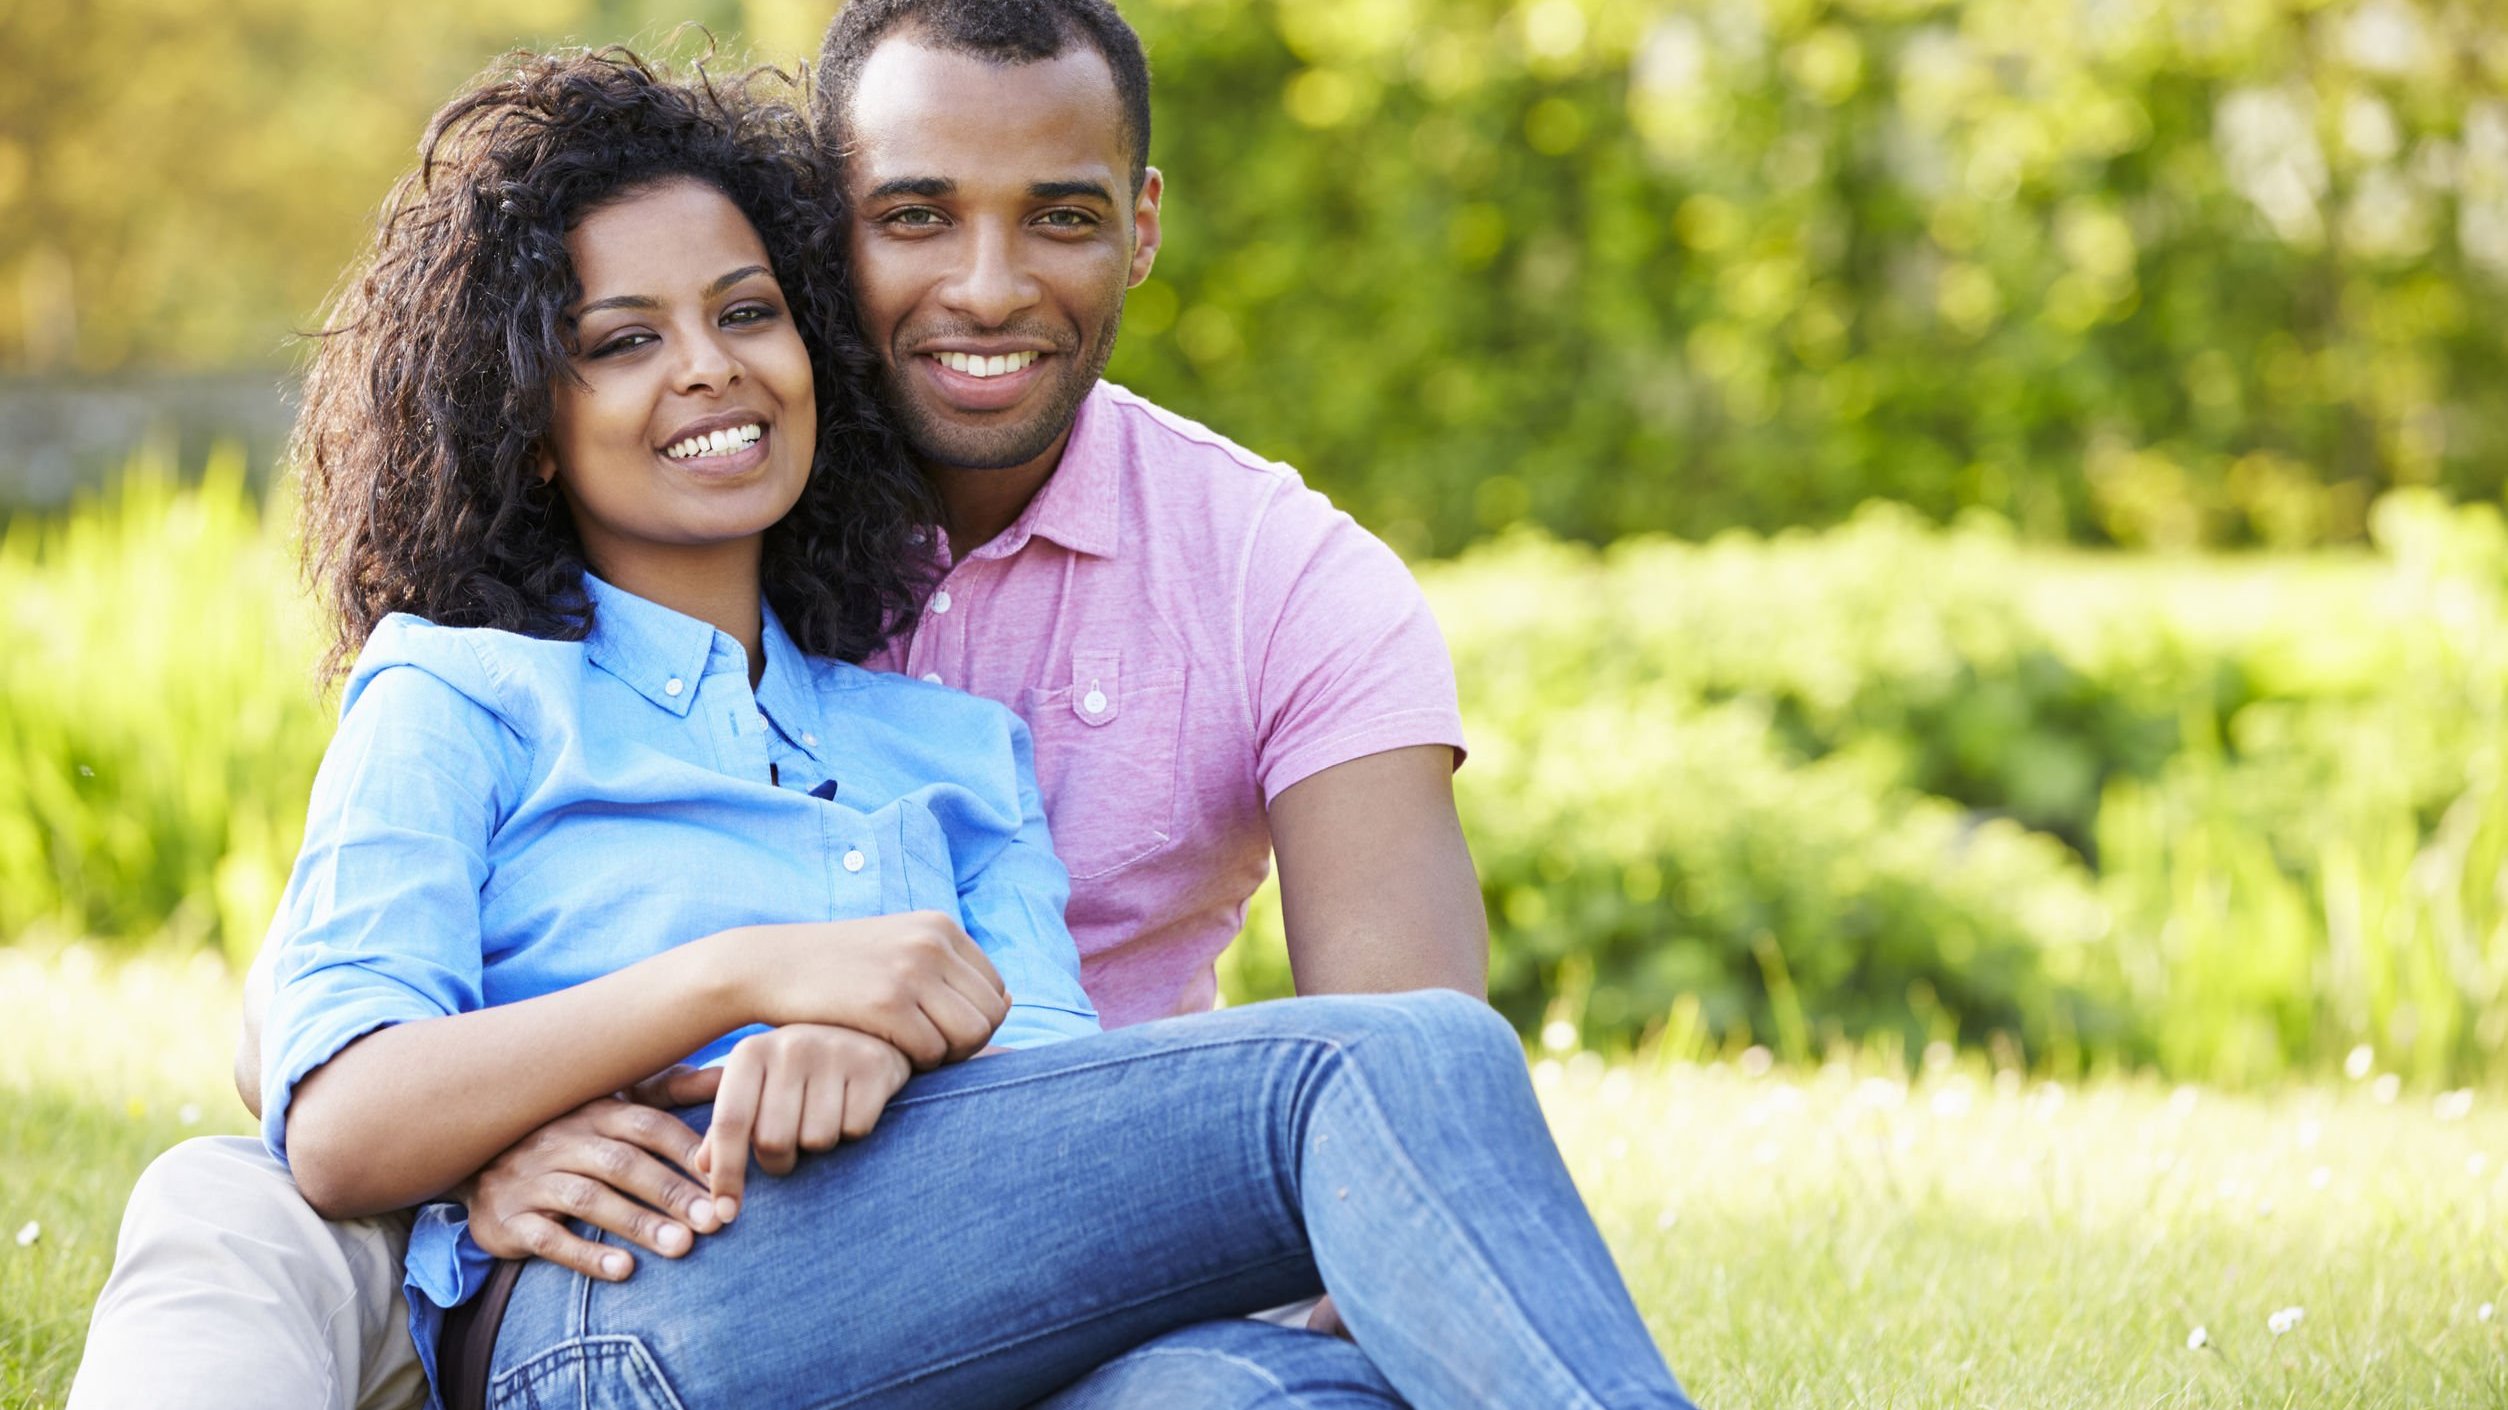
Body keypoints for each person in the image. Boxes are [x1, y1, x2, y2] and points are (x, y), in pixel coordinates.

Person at [68, 2, 1511, 1405]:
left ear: (1139, 223)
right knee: (225, 1198)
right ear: (836, 231)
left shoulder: (1221, 604)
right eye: (919, 213)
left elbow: (1262, 1116)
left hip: (1060, 1251)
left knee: (1255, 1368)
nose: (989, 286)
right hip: (610, 1262)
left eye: (1058, 216)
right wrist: (513, 1120)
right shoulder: (486, 676)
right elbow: (323, 1045)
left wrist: (892, 1048)